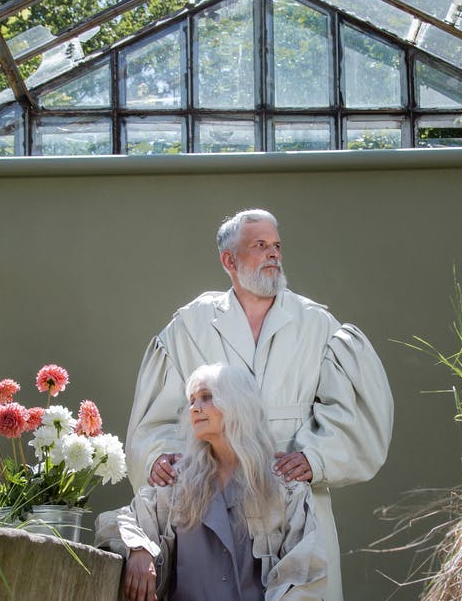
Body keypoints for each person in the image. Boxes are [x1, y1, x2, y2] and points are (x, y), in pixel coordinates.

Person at [126, 208, 394, 600]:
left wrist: (316, 456)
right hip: (210, 503)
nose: (274, 254)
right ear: (229, 260)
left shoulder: (316, 324)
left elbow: (354, 414)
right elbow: (158, 416)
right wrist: (157, 458)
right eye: (260, 245)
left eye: (277, 246)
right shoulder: (191, 324)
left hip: (291, 504)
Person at [97, 363, 327, 600]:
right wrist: (138, 548)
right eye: (192, 400)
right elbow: (119, 521)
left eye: (206, 397)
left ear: (238, 404)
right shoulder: (177, 479)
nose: (195, 408)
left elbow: (303, 575)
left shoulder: (284, 485)